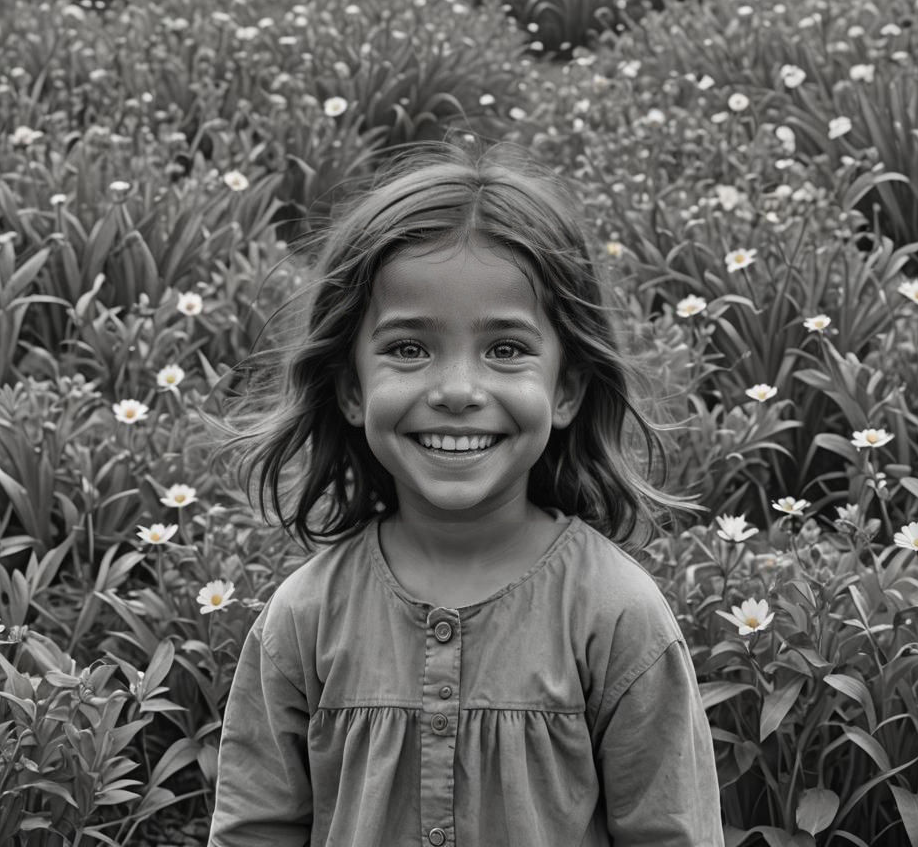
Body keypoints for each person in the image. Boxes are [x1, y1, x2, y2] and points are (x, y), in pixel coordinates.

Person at [208, 140, 724, 846]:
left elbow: (671, 833)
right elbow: (253, 831)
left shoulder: (617, 616)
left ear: (567, 389)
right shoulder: (304, 618)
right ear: (352, 389)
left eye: (506, 350)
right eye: (409, 349)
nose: (457, 391)